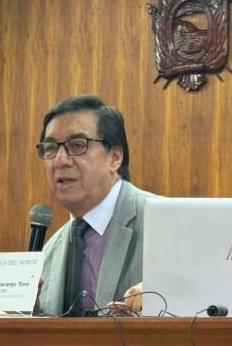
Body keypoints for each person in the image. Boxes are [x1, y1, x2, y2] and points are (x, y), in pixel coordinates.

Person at [36, 94, 153, 316]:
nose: (60, 160)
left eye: (77, 145)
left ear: (115, 157)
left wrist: (169, 297)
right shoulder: (48, 252)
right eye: (50, 148)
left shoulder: (164, 223)